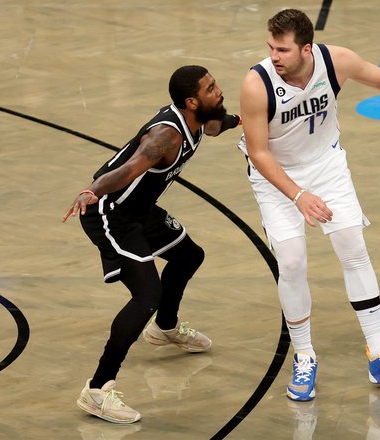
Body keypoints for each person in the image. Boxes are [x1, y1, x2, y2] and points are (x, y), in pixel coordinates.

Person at [238, 9, 380, 402]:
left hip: (326, 165)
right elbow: (258, 153)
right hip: (276, 178)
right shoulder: (257, 85)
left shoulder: (335, 60)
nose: (274, 55)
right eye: (271, 47)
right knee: (290, 261)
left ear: (307, 48)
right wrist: (297, 195)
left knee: (353, 248)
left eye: (283, 49)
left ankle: (379, 353)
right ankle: (304, 355)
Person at [62, 65, 241, 423]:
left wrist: (245, 119)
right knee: (146, 295)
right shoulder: (166, 137)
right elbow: (128, 170)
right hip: (110, 213)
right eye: (210, 88)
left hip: (140, 210)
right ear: (191, 101)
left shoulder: (198, 119)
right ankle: (97, 390)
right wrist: (91, 191)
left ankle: (165, 328)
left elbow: (215, 125)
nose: (218, 90)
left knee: (189, 256)